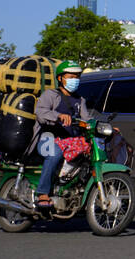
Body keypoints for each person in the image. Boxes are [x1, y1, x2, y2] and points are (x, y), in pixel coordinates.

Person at [32, 60, 91, 209]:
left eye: (77, 77)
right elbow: (40, 112)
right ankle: (42, 193)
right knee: (54, 152)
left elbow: (87, 119)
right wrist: (58, 116)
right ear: (60, 78)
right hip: (48, 139)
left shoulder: (80, 100)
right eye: (71, 76)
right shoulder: (51, 95)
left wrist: (104, 126)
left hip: (71, 140)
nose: (75, 80)